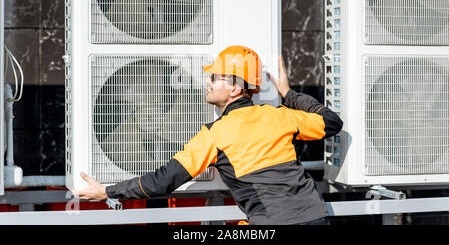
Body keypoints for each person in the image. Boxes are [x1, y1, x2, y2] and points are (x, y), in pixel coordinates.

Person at [72, 45, 343, 225]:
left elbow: (162, 181)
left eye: (215, 77)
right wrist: (288, 94)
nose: (208, 81)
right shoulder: (280, 115)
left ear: (236, 89)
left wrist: (106, 191)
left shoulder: (215, 135)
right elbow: (331, 122)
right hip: (316, 218)